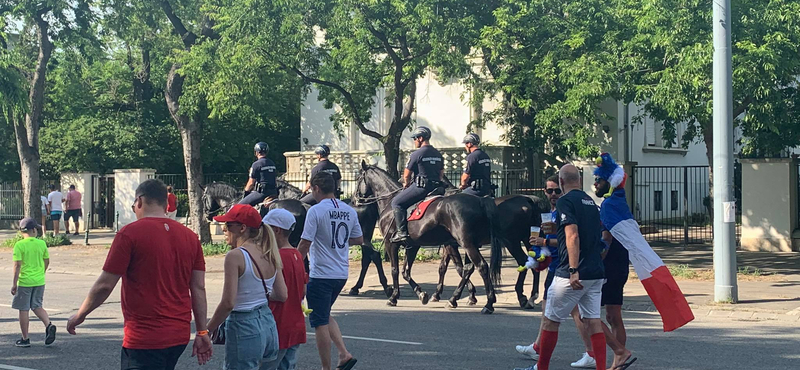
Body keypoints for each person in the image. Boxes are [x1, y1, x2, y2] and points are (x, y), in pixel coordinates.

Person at [66, 179, 213, 369]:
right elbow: (198, 287)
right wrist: (202, 331)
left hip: (144, 336)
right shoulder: (190, 237)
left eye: (134, 204)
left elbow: (105, 285)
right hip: (178, 335)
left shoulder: (129, 234)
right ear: (165, 203)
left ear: (140, 201)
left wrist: (80, 315)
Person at [514, 164, 606, 370]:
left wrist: (573, 270)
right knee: (593, 321)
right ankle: (601, 366)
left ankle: (541, 367)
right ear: (580, 181)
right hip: (595, 271)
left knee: (550, 321)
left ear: (562, 182)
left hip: (572, 272)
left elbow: (573, 235)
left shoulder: (565, 201)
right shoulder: (590, 201)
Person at [208, 204, 288, 370]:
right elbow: (281, 294)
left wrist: (208, 329)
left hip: (244, 324)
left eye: (228, 225)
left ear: (242, 228)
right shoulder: (269, 252)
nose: (224, 229)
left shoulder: (235, 256)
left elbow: (228, 303)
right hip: (267, 322)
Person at [298, 172, 363, 370]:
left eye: (311, 190)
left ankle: (326, 367)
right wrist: (340, 242)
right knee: (324, 314)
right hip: (341, 273)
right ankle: (343, 353)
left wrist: (290, 262)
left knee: (319, 322)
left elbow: (305, 243)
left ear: (316, 188)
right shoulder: (348, 210)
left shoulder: (316, 211)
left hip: (321, 274)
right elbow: (359, 239)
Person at [594, 175, 635, 370]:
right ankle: (618, 360)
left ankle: (620, 353)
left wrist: (597, 261)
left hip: (610, 265)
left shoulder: (609, 205)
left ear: (610, 183)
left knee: (590, 315)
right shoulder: (617, 202)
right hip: (619, 263)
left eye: (599, 180)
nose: (595, 183)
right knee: (612, 315)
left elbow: (606, 239)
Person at [262, 209, 308, 370]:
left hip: (278, 323)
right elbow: (303, 291)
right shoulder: (296, 255)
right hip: (295, 324)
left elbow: (278, 293)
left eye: (265, 228)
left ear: (276, 230)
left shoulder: (274, 256)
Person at [390, 126, 444, 243]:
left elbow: (407, 174)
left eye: (415, 138)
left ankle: (402, 233)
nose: (414, 141)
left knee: (396, 202)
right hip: (437, 188)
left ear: (420, 138)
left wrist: (407, 183)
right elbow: (441, 174)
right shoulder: (438, 154)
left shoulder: (417, 154)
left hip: (422, 188)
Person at [11, 217, 57, 348]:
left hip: (25, 281)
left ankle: (25, 338)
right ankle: (48, 325)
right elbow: (47, 261)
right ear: (32, 230)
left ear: (21, 231)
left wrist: (14, 284)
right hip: (39, 280)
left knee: (23, 309)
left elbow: (17, 265)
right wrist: (41, 272)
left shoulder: (19, 245)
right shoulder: (41, 244)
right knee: (37, 306)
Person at [240, 142, 278, 206]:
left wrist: (246, 192)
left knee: (239, 206)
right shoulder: (272, 163)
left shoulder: (256, 164)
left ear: (256, 152)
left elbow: (251, 183)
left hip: (262, 193)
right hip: (274, 192)